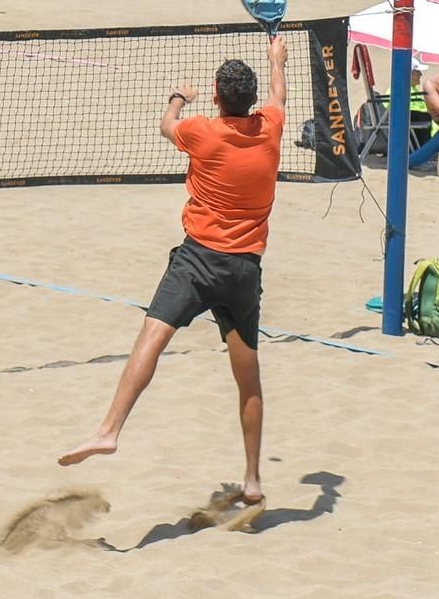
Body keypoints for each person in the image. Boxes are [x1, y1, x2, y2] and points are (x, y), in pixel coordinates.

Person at [57, 36, 289, 518]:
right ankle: (251, 481)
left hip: (198, 260)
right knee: (248, 380)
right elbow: (279, 97)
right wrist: (277, 61)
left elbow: (167, 126)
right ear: (250, 101)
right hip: (244, 269)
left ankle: (109, 430)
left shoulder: (202, 132)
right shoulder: (271, 128)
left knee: (152, 335)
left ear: (218, 95)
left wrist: (179, 97)